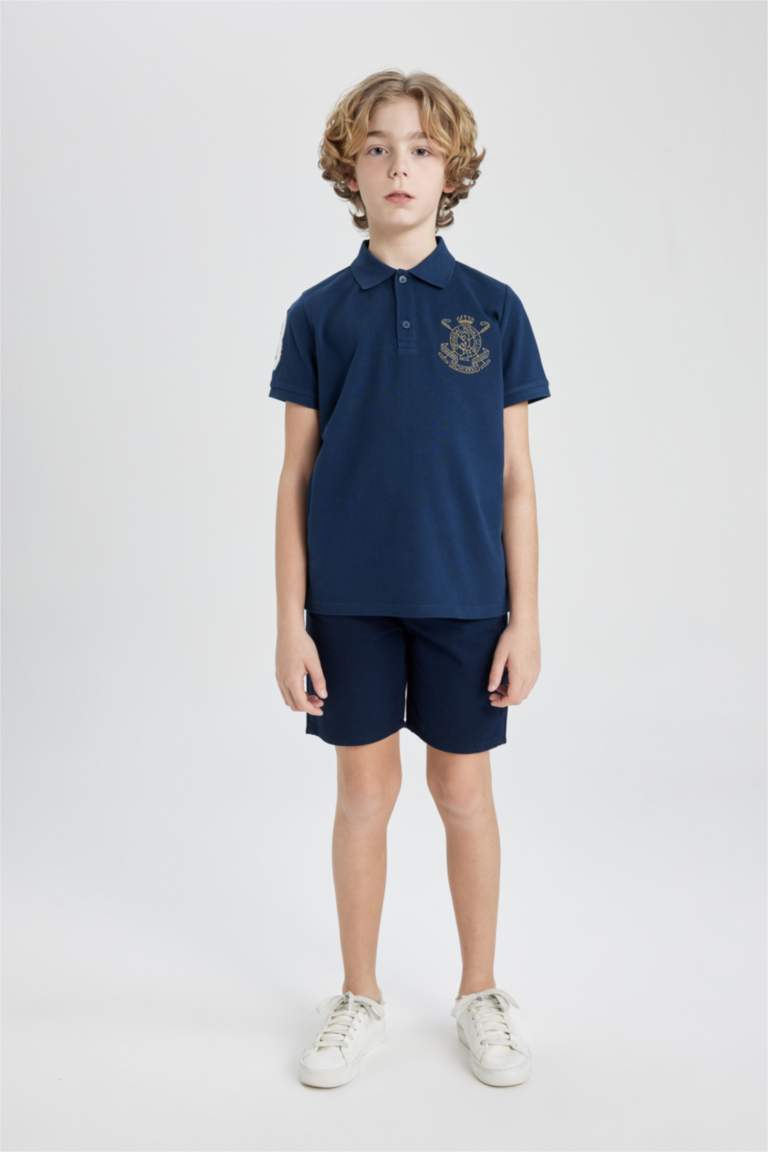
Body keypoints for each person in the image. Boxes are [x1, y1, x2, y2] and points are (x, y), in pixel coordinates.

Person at [269, 70, 551, 1089]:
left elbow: (515, 480)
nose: (400, 166)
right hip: (347, 601)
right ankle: (359, 994)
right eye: (379, 148)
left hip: (467, 598)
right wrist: (290, 622)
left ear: (451, 171)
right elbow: (295, 477)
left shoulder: (494, 309)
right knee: (364, 792)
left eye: (422, 149)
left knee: (463, 791)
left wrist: (525, 617)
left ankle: (480, 992)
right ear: (351, 169)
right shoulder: (318, 313)